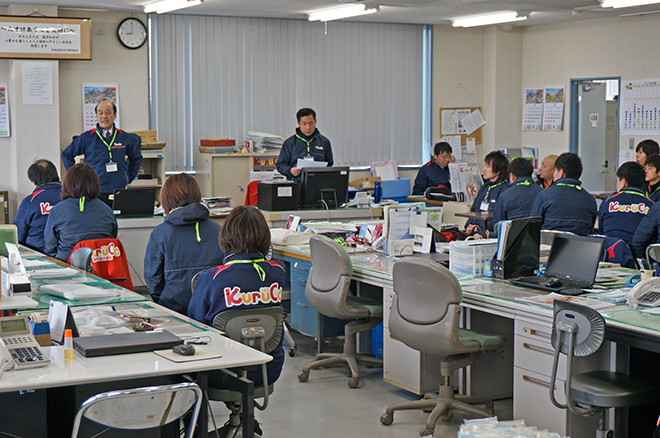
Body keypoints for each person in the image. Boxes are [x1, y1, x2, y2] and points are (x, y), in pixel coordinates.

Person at [188, 205, 286, 389]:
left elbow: (195, 325)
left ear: (225, 237)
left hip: (221, 371)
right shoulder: (277, 271)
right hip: (269, 368)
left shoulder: (211, 278)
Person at [143, 173, 225, 315]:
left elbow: (153, 282)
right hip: (212, 309)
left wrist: (164, 302)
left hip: (173, 310)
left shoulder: (161, 233)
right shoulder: (218, 230)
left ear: (167, 198)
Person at [61, 101, 143, 205]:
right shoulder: (87, 137)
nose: (104, 116)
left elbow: (136, 158)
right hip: (94, 191)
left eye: (108, 112)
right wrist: (77, 178)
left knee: (117, 220)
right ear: (96, 116)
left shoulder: (125, 137)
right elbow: (66, 154)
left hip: (118, 189)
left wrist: (128, 177)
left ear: (115, 115)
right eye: (100, 113)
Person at [44, 163, 118, 262]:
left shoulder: (57, 211)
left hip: (67, 267)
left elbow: (50, 248)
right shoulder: (107, 210)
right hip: (101, 269)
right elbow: (113, 239)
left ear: (67, 184)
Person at [530, 152, 597, 236]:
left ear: (561, 172)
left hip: (548, 246)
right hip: (580, 247)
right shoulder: (590, 200)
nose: (553, 174)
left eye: (555, 171)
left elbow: (532, 228)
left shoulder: (544, 195)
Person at [597, 161, 652, 250]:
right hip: (637, 258)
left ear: (623, 182)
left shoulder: (608, 202)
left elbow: (601, 230)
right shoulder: (651, 205)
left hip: (609, 256)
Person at [13, 159, 62, 253]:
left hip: (36, 251)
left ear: (34, 179)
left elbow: (18, 234)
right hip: (65, 251)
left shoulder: (30, 201)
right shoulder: (70, 197)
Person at [276, 108, 333, 182]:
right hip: (297, 184)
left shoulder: (324, 142)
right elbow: (280, 165)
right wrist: (290, 170)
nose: (308, 127)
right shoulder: (289, 143)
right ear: (298, 123)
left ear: (315, 122)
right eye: (304, 124)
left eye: (311, 123)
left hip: (319, 184)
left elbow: (329, 164)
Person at [465, 151, 510, 235]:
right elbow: (474, 210)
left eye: (488, 166)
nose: (484, 169)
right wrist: (469, 226)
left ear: (498, 171)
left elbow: (498, 218)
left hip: (489, 235)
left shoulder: (505, 190)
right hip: (474, 232)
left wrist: (477, 228)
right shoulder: (484, 187)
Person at [491, 157, 543, 228]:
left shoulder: (505, 196)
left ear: (512, 176)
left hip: (512, 237)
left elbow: (497, 226)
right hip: (538, 237)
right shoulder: (543, 193)